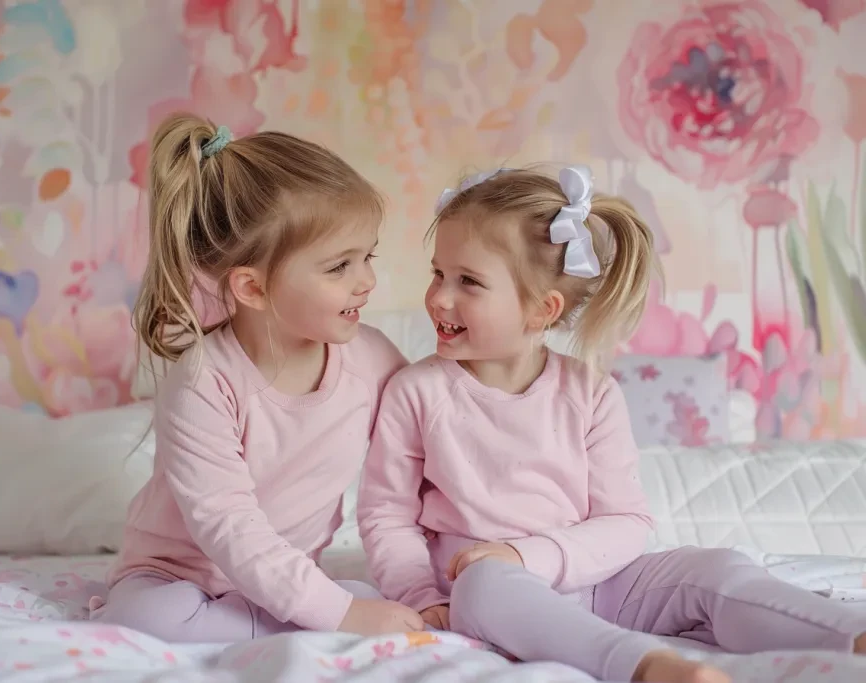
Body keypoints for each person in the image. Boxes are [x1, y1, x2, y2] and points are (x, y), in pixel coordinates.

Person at [357, 165, 866, 683]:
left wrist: (528, 554)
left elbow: (626, 521)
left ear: (542, 310)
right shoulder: (416, 392)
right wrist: (423, 598)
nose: (440, 297)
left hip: (603, 582)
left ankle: (848, 634)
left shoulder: (590, 391)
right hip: (487, 595)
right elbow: (386, 517)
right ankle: (643, 664)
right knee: (484, 583)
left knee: (715, 568)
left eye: (468, 281)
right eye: (438, 273)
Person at [91, 113, 423, 642]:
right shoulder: (203, 379)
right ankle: (288, 623)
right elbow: (229, 526)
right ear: (253, 288)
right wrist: (338, 615)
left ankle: (278, 619)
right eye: (339, 267)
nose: (367, 281)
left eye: (368, 257)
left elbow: (433, 434)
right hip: (179, 575)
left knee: (367, 599)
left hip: (289, 573)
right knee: (141, 620)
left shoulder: (372, 359)